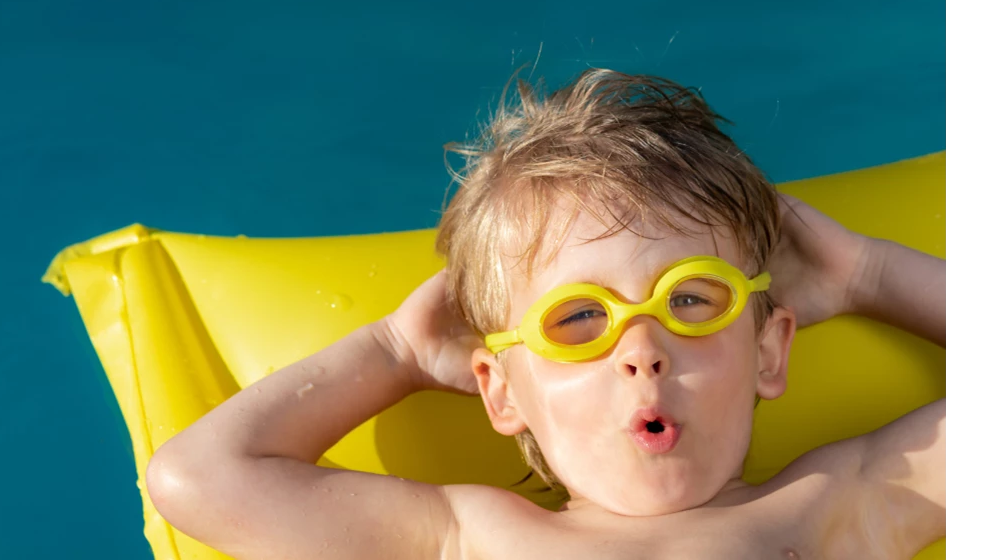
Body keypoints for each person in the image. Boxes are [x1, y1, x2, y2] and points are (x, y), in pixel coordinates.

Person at [146, 69, 945, 559]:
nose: (642, 350)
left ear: (769, 352)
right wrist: (395, 352)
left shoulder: (844, 506)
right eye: (577, 321)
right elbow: (199, 480)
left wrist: (867, 274)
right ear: (499, 390)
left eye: (691, 301)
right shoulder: (469, 539)